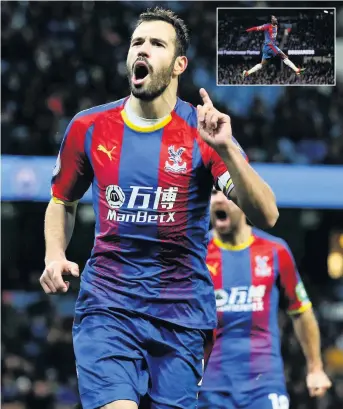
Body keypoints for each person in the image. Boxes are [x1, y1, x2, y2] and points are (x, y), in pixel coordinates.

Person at [39, 7, 278, 409]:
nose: (142, 50)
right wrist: (54, 253)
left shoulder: (203, 131)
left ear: (179, 64)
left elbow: (267, 214)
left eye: (156, 43)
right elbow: (62, 199)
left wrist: (227, 152)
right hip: (108, 307)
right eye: (137, 43)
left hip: (181, 317)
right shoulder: (88, 127)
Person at [199, 190, 332, 409]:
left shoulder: (275, 251)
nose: (219, 199)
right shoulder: (197, 253)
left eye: (226, 193)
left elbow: (301, 311)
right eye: (212, 193)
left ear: (242, 200)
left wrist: (315, 368)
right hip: (210, 389)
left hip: (264, 386)